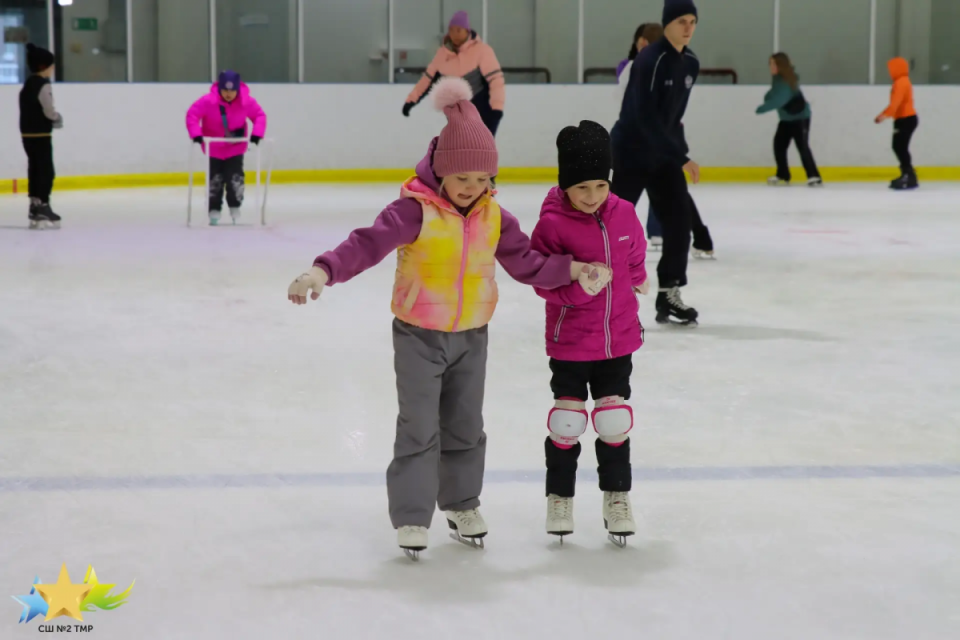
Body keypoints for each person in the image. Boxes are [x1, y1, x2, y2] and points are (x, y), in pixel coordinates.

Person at [287, 78, 611, 559]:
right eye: (463, 179)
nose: (473, 189)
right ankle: (414, 516)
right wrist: (322, 270)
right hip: (418, 334)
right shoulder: (413, 212)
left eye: (483, 180)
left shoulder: (493, 217)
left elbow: (528, 263)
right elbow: (365, 244)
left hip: (472, 335)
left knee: (464, 425)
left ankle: (461, 503)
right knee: (419, 425)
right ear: (442, 171)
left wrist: (573, 269)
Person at [530, 121, 648, 546]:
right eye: (583, 188)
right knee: (567, 420)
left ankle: (617, 497)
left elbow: (634, 252)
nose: (593, 196)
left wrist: (638, 277)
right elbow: (541, 280)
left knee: (614, 421)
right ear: (565, 185)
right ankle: (559, 498)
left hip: (617, 339)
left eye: (600, 185)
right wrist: (579, 289)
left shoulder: (624, 212)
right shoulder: (552, 224)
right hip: (570, 341)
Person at [611, 0, 702, 325]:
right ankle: (600, 290)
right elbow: (643, 118)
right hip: (632, 150)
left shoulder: (691, 63)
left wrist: (678, 151)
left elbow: (672, 118)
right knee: (612, 224)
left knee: (679, 224)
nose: (688, 27)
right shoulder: (650, 59)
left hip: (662, 154)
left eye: (692, 21)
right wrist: (682, 156)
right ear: (667, 24)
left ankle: (668, 294)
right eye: (681, 21)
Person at [402, 11, 505, 136]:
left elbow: (496, 81)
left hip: (484, 113)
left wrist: (497, 108)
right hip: (457, 115)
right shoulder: (442, 54)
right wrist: (411, 101)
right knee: (461, 151)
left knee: (481, 151)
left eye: (458, 30)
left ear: (467, 31)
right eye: (451, 30)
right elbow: (427, 80)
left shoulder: (482, 51)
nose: (454, 34)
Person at [186, 70, 266, 226]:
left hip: (235, 149)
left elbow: (259, 116)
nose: (228, 94)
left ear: (237, 89)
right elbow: (192, 115)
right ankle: (213, 209)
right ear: (219, 88)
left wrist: (257, 133)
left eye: (232, 90)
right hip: (213, 148)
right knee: (214, 180)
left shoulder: (246, 102)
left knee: (235, 179)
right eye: (225, 90)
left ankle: (235, 205)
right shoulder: (208, 101)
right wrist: (196, 134)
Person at [756, 53, 822, 187]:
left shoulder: (787, 80)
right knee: (779, 145)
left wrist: (762, 108)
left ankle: (814, 176)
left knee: (802, 146)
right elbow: (774, 93)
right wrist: (767, 97)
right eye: (770, 63)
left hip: (800, 118)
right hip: (786, 119)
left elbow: (779, 99)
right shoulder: (778, 79)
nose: (771, 66)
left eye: (774, 64)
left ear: (781, 65)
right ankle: (783, 174)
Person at [19, 43, 63, 230]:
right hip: (41, 133)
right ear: (43, 66)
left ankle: (35, 204)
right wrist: (56, 118)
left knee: (34, 168)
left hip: (27, 134)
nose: (53, 70)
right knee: (46, 170)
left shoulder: (28, 84)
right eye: (51, 66)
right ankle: (43, 205)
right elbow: (48, 109)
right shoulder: (43, 85)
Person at [876, 57, 919, 190]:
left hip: (906, 119)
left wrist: (884, 115)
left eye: (891, 69)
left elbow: (896, 103)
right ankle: (908, 174)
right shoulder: (902, 81)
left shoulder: (901, 82)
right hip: (904, 119)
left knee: (900, 147)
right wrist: (886, 113)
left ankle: (908, 175)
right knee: (899, 146)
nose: (889, 72)